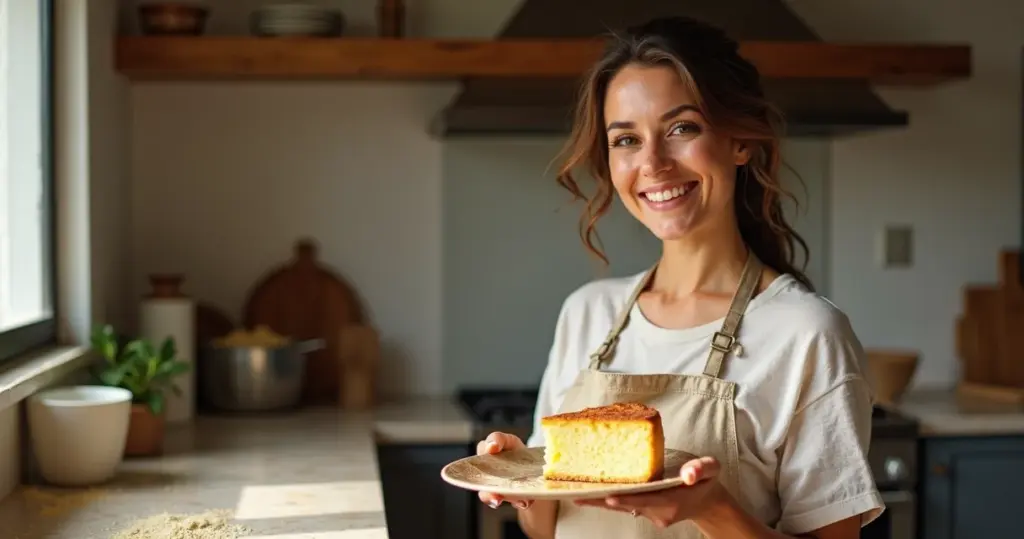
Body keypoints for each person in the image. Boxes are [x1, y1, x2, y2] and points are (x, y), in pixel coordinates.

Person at [473, 14, 884, 539]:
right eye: (626, 140)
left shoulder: (806, 334)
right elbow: (547, 526)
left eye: (681, 128)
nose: (653, 163)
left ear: (740, 141)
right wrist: (517, 478)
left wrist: (713, 509)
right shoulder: (587, 313)